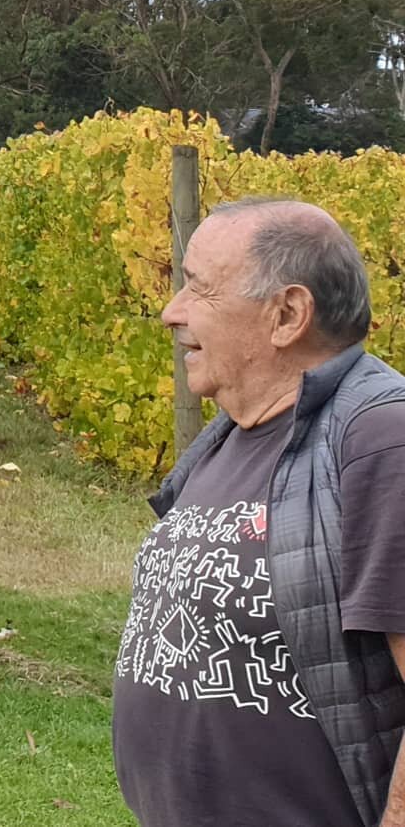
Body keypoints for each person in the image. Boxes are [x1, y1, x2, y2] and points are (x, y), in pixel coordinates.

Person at [113, 198, 405, 827]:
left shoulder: (382, 438)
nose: (172, 313)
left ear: (287, 315)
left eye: (198, 289)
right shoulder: (230, 434)